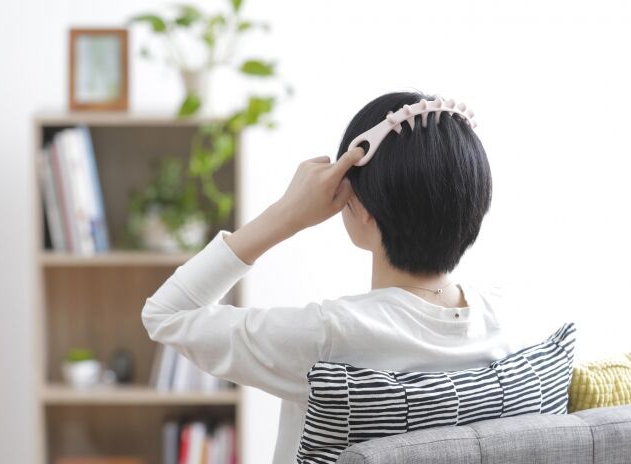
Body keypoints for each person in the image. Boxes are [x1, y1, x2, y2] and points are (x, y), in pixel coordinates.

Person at [141, 91, 524, 463]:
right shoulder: (504, 325)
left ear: (363, 205)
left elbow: (166, 314)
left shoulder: (329, 337)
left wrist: (286, 214)